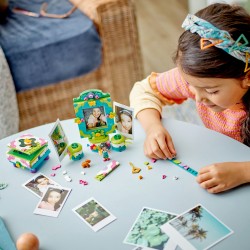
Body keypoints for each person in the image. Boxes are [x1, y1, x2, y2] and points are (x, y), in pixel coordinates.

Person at [130, 3, 250, 194]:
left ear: (246, 78)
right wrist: (152, 127)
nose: (198, 97)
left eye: (211, 91)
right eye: (192, 86)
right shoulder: (199, 80)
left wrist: (244, 171)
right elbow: (143, 90)